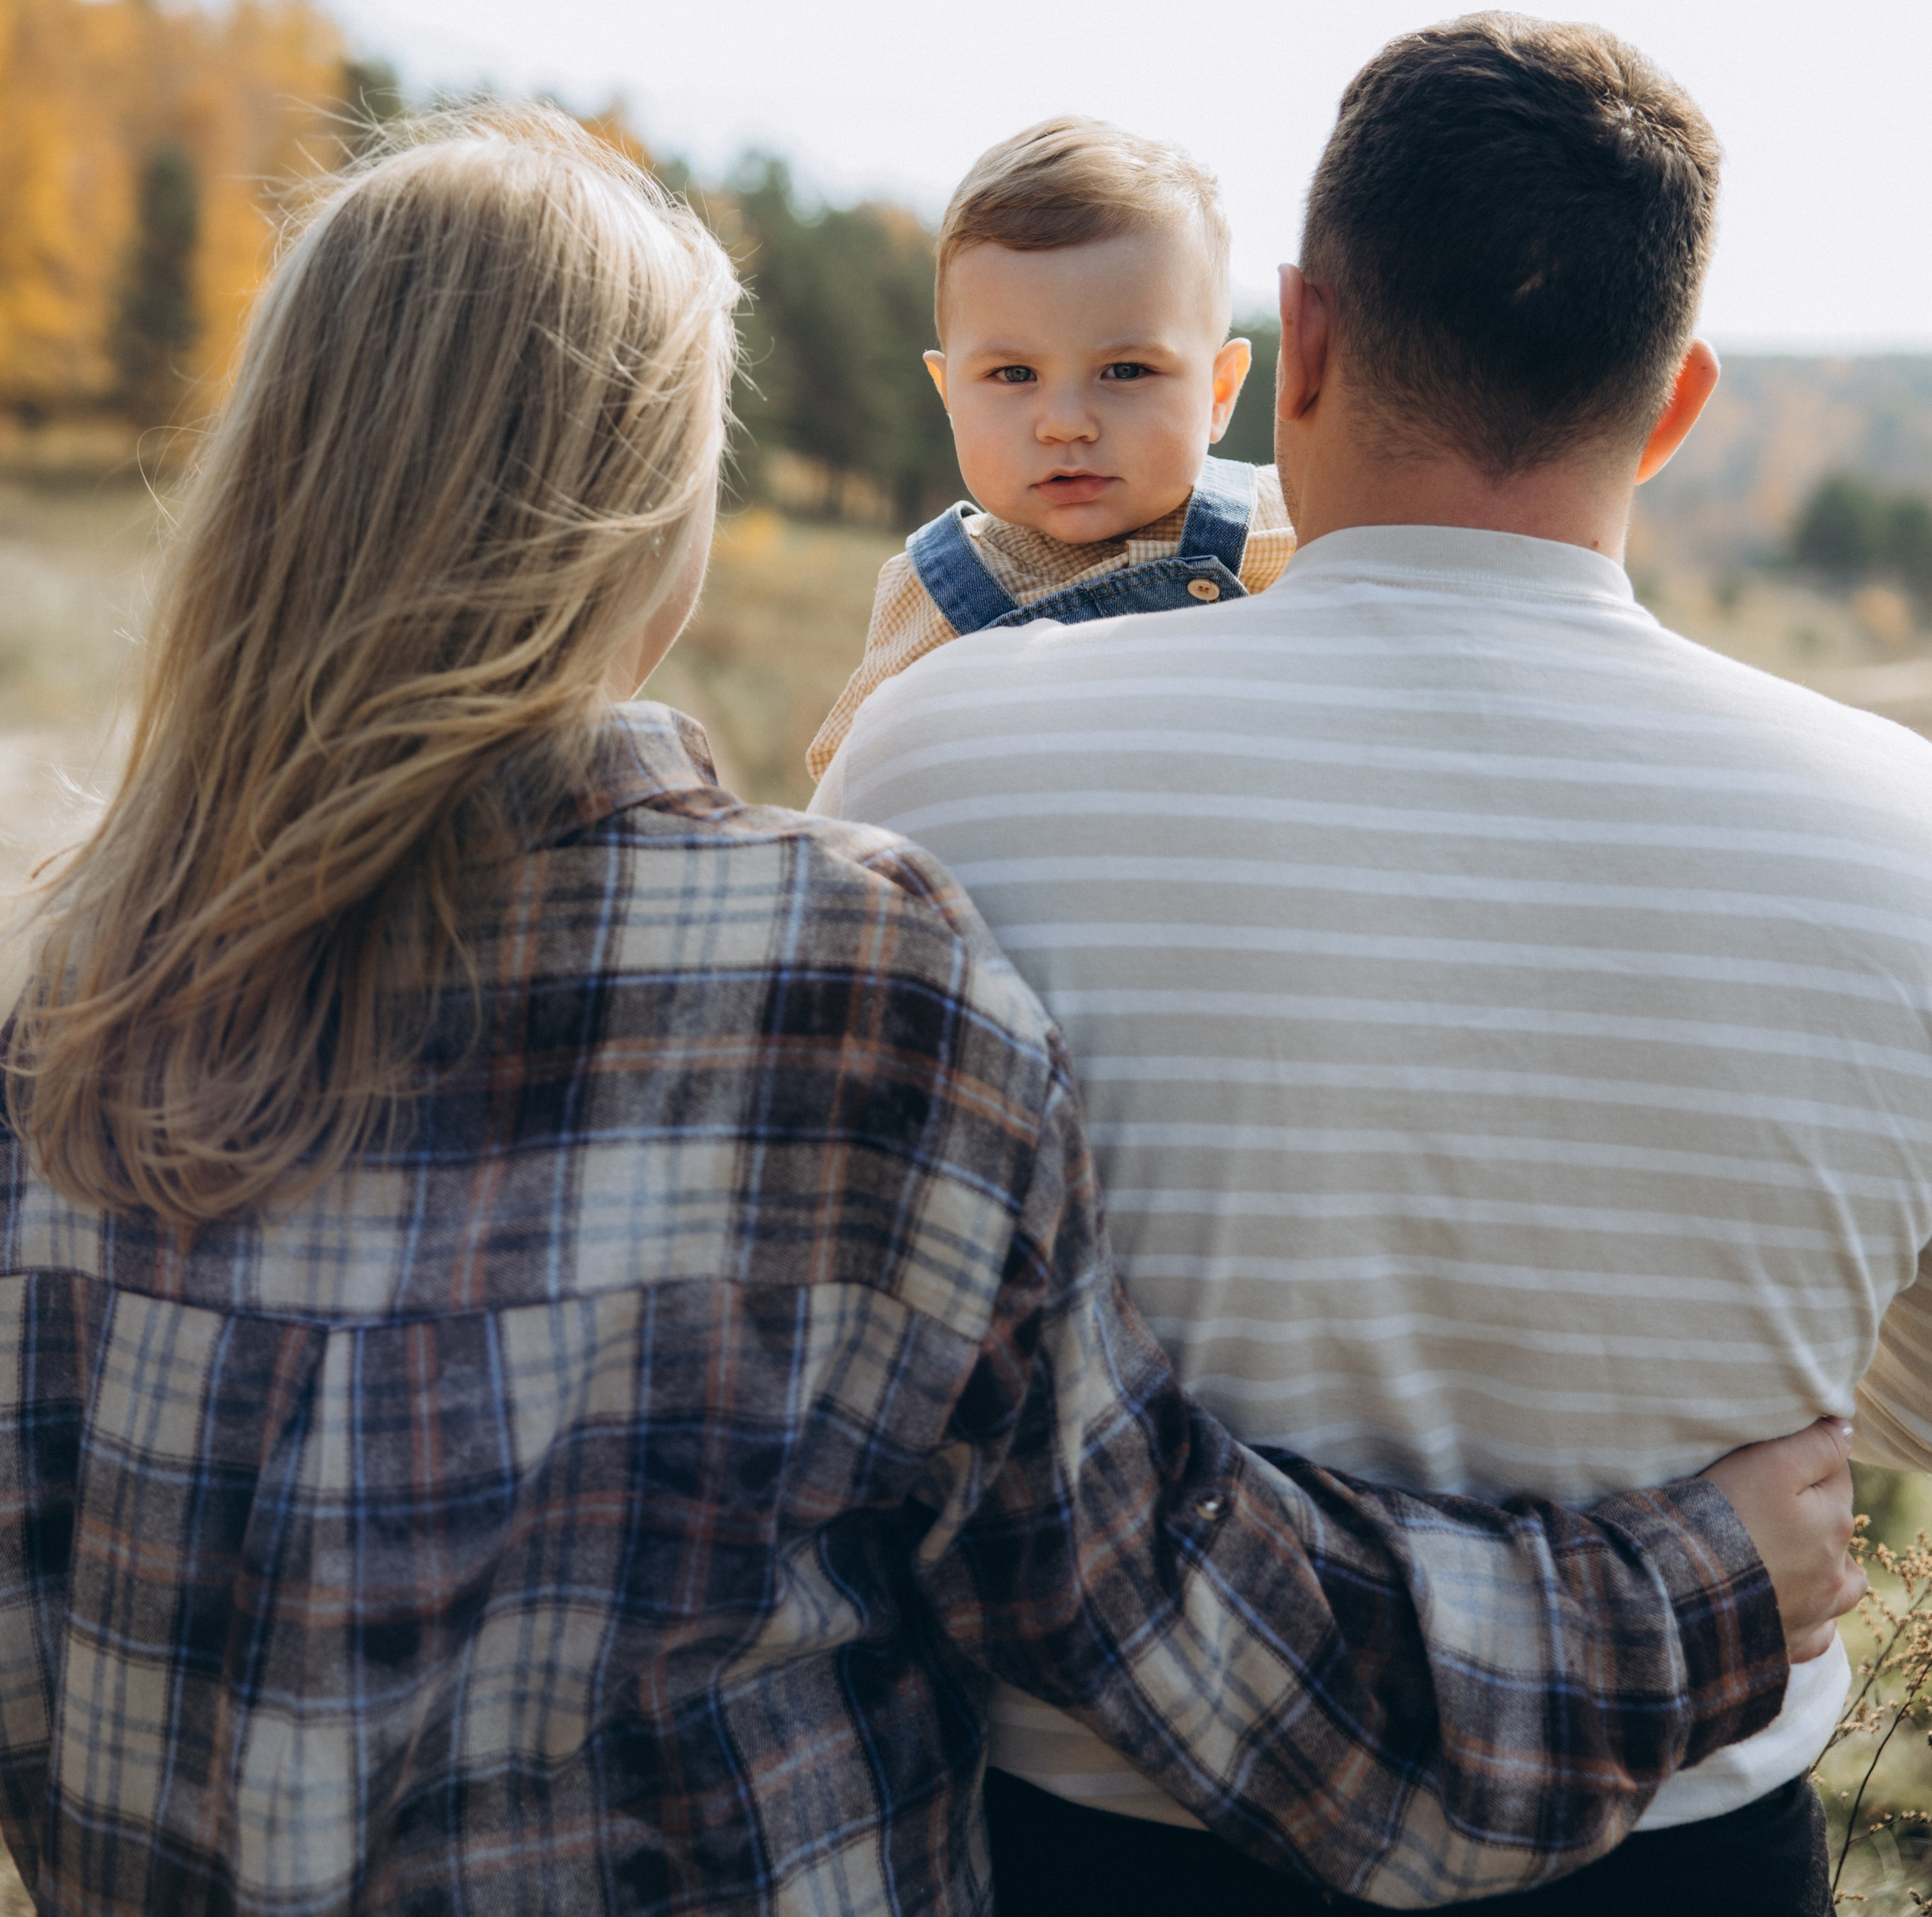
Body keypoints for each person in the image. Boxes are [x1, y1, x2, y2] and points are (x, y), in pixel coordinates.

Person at [0, 106, 1857, 1917]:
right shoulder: (835, 980)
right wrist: (1689, 1591)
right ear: (656, 512)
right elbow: (1172, 1624)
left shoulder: (55, 1019)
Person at [814, 14, 1932, 1917]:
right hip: (1679, 1848)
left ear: (1296, 343)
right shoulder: (1902, 837)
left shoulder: (939, 752)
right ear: (1672, 404)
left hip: (1097, 1841)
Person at [807, 118, 1294, 782]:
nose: (1065, 425)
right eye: (1014, 375)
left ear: (1219, 390)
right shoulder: (932, 592)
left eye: (1126, 371)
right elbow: (855, 783)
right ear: (948, 394)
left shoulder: (1286, 523)